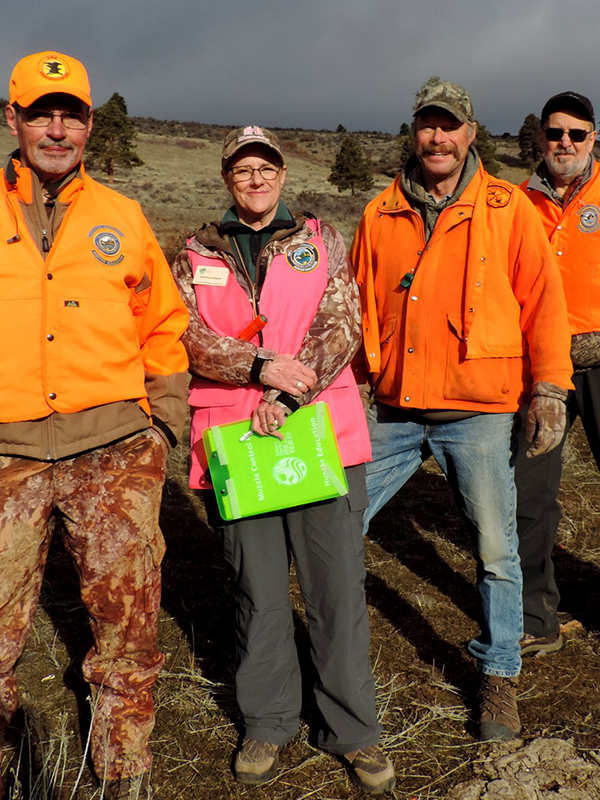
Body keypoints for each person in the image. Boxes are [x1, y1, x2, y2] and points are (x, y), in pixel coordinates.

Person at [171, 125, 395, 794]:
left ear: (283, 173)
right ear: (226, 179)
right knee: (258, 593)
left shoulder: (321, 242)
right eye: (243, 170)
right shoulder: (191, 256)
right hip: (238, 446)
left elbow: (342, 325)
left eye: (266, 167)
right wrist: (265, 366)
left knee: (335, 594)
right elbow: (190, 337)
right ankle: (267, 722)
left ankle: (352, 732)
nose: (256, 179)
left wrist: (288, 396)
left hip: (319, 435)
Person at [350, 80, 573, 742]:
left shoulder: (507, 208)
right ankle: (335, 664)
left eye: (450, 126)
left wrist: (551, 389)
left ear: (471, 133)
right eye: (427, 125)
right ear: (413, 132)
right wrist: (350, 385)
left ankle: (500, 676)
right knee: (333, 524)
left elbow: (545, 305)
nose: (438, 138)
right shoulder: (378, 212)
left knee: (496, 548)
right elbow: (360, 307)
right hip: (392, 408)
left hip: (478, 408)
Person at [0, 51, 188, 800]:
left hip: (113, 452)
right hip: (7, 453)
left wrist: (162, 428)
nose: (56, 127)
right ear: (11, 118)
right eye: (40, 111)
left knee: (128, 631)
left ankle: (123, 771)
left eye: (71, 113)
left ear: (88, 124)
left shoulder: (123, 216)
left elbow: (165, 325)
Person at [515, 91, 599, 657]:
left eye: (577, 133)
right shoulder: (517, 202)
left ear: (594, 138)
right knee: (530, 491)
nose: (564, 143)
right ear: (541, 138)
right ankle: (534, 616)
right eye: (554, 133)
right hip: (541, 367)